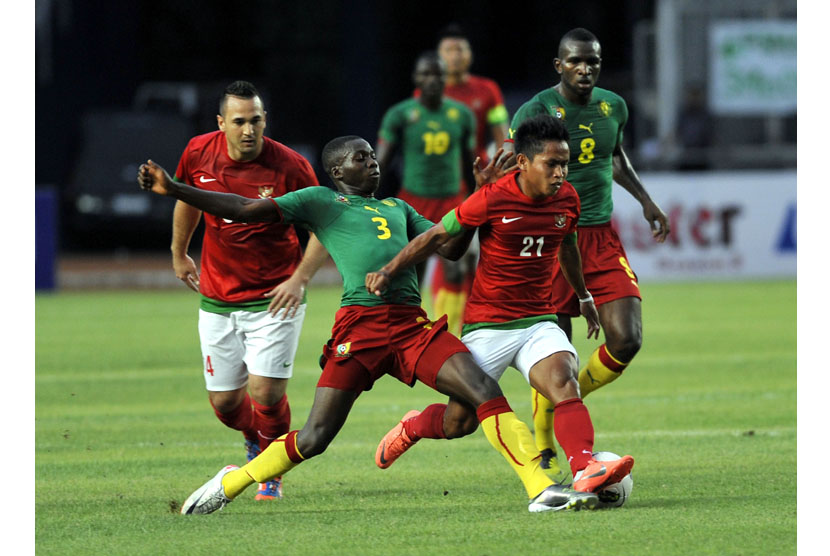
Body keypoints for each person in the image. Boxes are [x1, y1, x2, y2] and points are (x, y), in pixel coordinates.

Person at [138, 135, 600, 514]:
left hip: (412, 327)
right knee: (316, 438)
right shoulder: (322, 200)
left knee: (482, 388)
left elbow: (452, 248)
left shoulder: (398, 208)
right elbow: (244, 209)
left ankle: (540, 489)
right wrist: (176, 189)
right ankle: (233, 481)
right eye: (362, 157)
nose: (374, 162)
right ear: (339, 171)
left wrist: (477, 199)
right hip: (359, 330)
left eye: (374, 156)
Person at [366, 114, 635, 494]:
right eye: (552, 164)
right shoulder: (493, 198)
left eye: (565, 164)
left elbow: (569, 247)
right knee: (458, 423)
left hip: (538, 321)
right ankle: (413, 426)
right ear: (523, 162)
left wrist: (584, 295)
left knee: (563, 383)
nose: (560, 173)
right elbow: (436, 237)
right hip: (487, 325)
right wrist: (389, 270)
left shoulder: (569, 199)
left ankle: (584, 467)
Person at [501, 28, 670, 476]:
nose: (585, 68)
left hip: (600, 236)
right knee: (557, 352)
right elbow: (509, 167)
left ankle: (567, 400)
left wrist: (645, 200)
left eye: (592, 61)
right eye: (576, 61)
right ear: (559, 65)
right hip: (552, 241)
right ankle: (543, 441)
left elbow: (614, 157)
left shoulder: (613, 106)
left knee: (627, 338)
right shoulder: (535, 110)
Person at [168, 80, 330, 501]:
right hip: (218, 297)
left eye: (255, 120)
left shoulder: (291, 166)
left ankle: (270, 471)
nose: (248, 129)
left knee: (266, 392)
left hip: (275, 296)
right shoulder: (198, 152)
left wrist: (300, 278)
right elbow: (187, 199)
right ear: (221, 123)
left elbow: (325, 225)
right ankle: (256, 440)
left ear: (264, 121)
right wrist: (179, 252)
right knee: (225, 404)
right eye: (238, 121)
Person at [377, 51, 477, 336]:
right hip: (414, 203)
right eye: (426, 74)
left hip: (452, 201)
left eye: (438, 74)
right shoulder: (400, 114)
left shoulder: (462, 115)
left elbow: (471, 164)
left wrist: (477, 198)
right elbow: (381, 161)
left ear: (446, 79)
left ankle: (453, 335)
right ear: (416, 78)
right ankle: (410, 330)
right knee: (412, 271)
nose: (433, 80)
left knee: (456, 267)